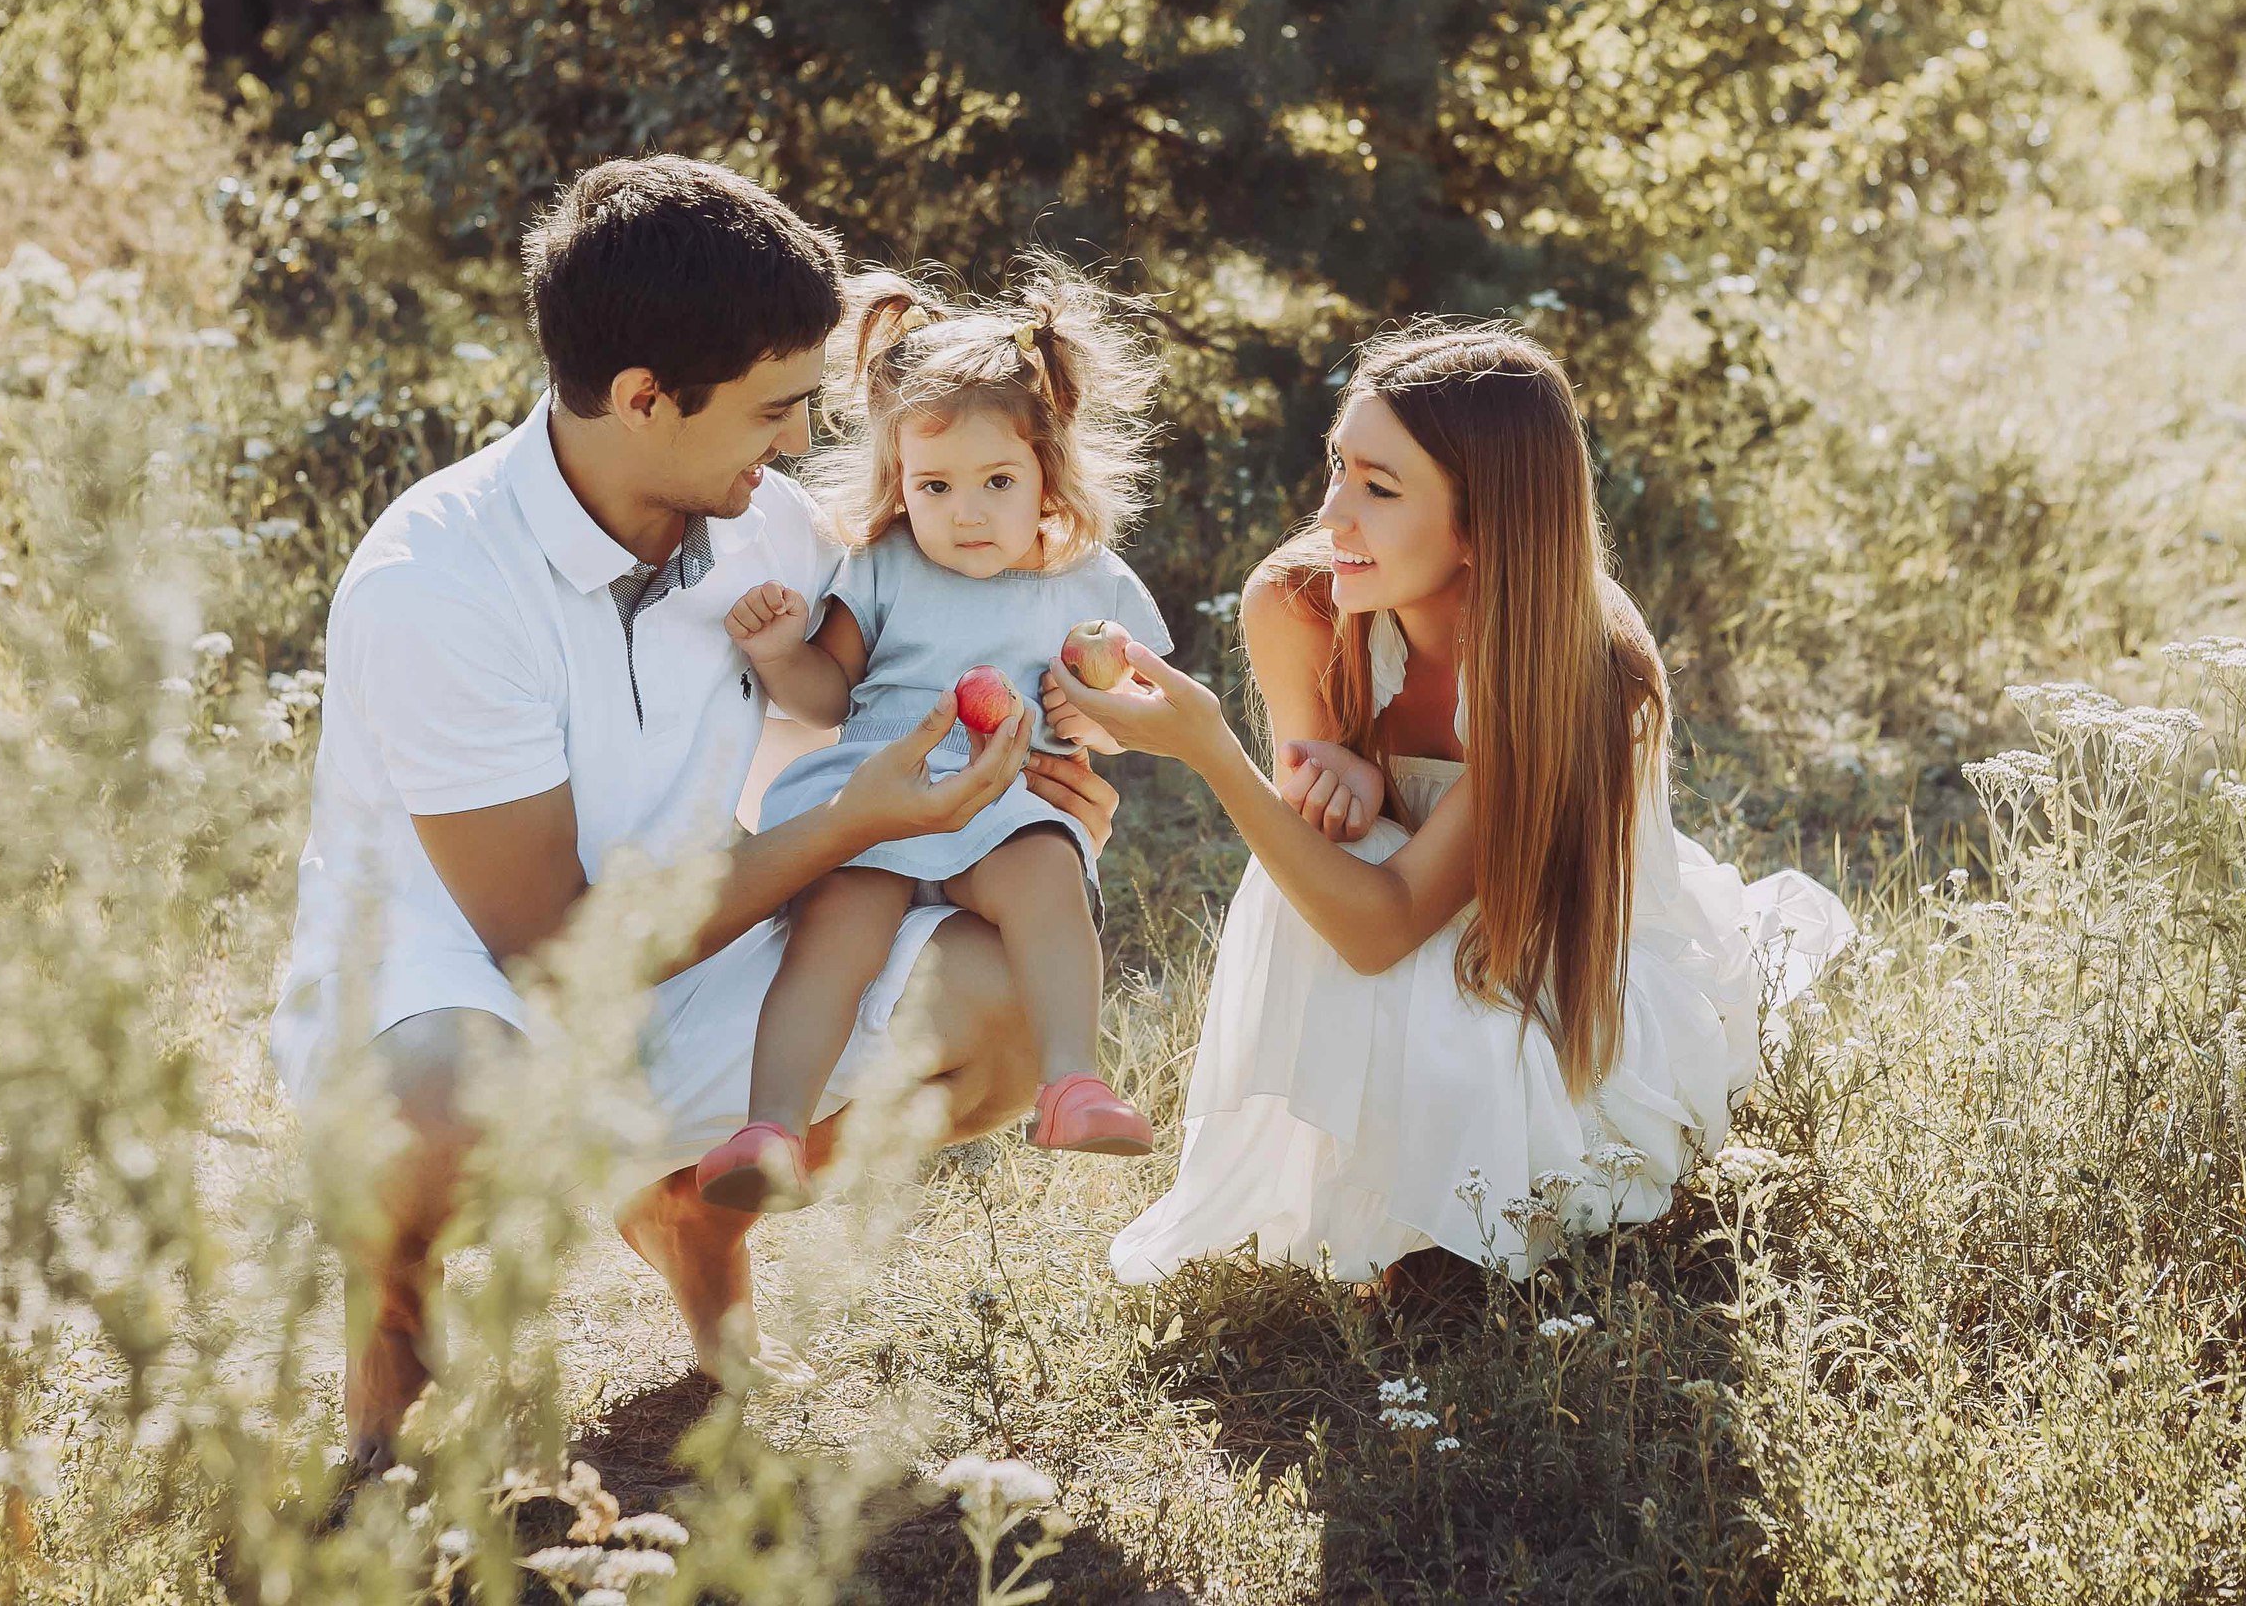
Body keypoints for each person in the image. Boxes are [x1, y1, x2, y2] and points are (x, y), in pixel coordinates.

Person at [266, 156, 1115, 1467]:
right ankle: (391, 1320)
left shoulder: (769, 532)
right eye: (775, 407)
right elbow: (553, 946)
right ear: (643, 397)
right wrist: (854, 827)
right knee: (440, 1097)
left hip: (693, 948)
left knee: (1005, 1001)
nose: (795, 443)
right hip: (456, 989)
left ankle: (686, 1213)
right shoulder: (435, 581)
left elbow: (857, 726)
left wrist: (1031, 819)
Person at [1044, 322, 1855, 1284]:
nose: (1333, 513)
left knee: (1395, 975)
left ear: (1483, 527)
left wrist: (1209, 749)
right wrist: (1344, 782)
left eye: (1381, 490)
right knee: (1291, 882)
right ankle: (1373, 1196)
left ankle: (1445, 1226)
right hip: (1414, 920)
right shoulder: (1301, 603)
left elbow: (1381, 929)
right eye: (1339, 466)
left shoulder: (1579, 672)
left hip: (1552, 957)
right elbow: (1321, 858)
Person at [696, 260, 1170, 1210]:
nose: (966, 510)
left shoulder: (1091, 582)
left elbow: (1148, 707)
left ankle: (1071, 1081)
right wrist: (786, 653)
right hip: (885, 794)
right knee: (830, 942)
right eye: (934, 484)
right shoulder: (883, 565)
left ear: (1048, 470)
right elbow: (828, 697)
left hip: (1010, 801)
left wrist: (1096, 716)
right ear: (898, 482)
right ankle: (772, 1127)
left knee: (1048, 883)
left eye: (997, 479)